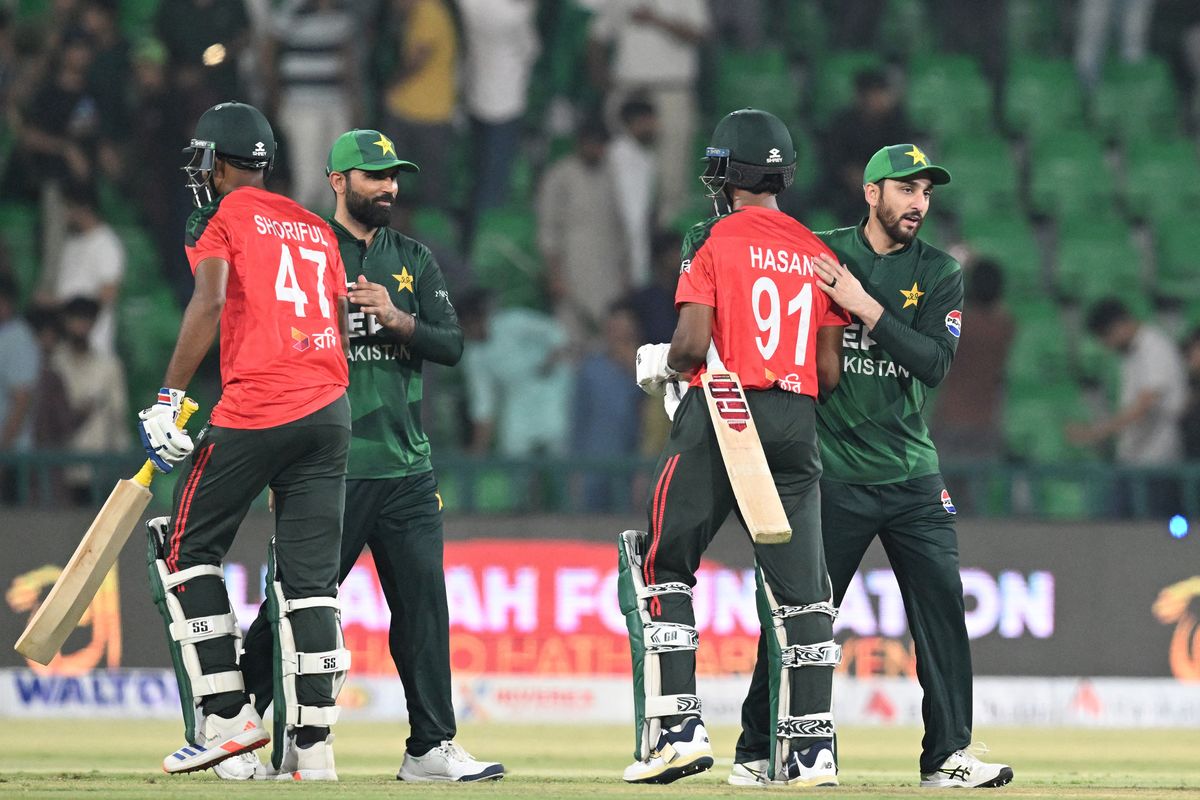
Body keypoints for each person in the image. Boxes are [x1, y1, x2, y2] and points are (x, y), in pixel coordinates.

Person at [739, 143, 1014, 789]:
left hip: (914, 474)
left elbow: (934, 364)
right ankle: (758, 749)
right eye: (906, 189)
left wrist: (865, 306)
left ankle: (948, 755)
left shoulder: (941, 270)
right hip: (833, 476)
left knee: (943, 605)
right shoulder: (816, 250)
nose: (919, 203)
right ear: (872, 193)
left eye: (926, 192)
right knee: (798, 616)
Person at [238, 129, 504, 782]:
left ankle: (430, 748)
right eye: (373, 175)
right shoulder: (304, 252)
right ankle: (237, 726)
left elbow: (450, 345)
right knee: (293, 608)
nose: (388, 187)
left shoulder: (413, 257)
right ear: (338, 181)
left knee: (423, 609)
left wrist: (397, 318)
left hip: (406, 471)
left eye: (393, 176)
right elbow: (267, 342)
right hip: (328, 467)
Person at [624, 108, 849, 786]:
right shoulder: (818, 249)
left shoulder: (712, 235)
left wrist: (664, 363)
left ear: (729, 173)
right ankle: (810, 753)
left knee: (661, 564)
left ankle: (677, 731)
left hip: (726, 408)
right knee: (803, 595)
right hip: (797, 418)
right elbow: (831, 373)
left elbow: (694, 346)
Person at [137, 101, 351, 781]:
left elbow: (208, 300)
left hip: (260, 405)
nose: (200, 174)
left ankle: (228, 721)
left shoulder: (223, 215)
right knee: (312, 583)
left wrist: (171, 399)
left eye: (205, 160)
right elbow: (338, 318)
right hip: (329, 410)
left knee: (184, 551)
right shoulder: (317, 226)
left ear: (223, 162)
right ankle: (311, 751)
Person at [1070, 297, 1186, 516]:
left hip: (1156, 461)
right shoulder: (1130, 355)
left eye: (1105, 338)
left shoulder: (1154, 347)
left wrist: (1098, 432)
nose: (1106, 345)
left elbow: (1146, 402)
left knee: (1148, 534)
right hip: (1132, 460)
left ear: (1118, 326)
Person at [53, 296, 129, 503]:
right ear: (65, 321)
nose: (81, 325)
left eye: (86, 319)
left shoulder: (108, 366)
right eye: (76, 319)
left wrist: (120, 463)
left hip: (100, 466)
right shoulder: (54, 363)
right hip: (62, 466)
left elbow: (117, 415)